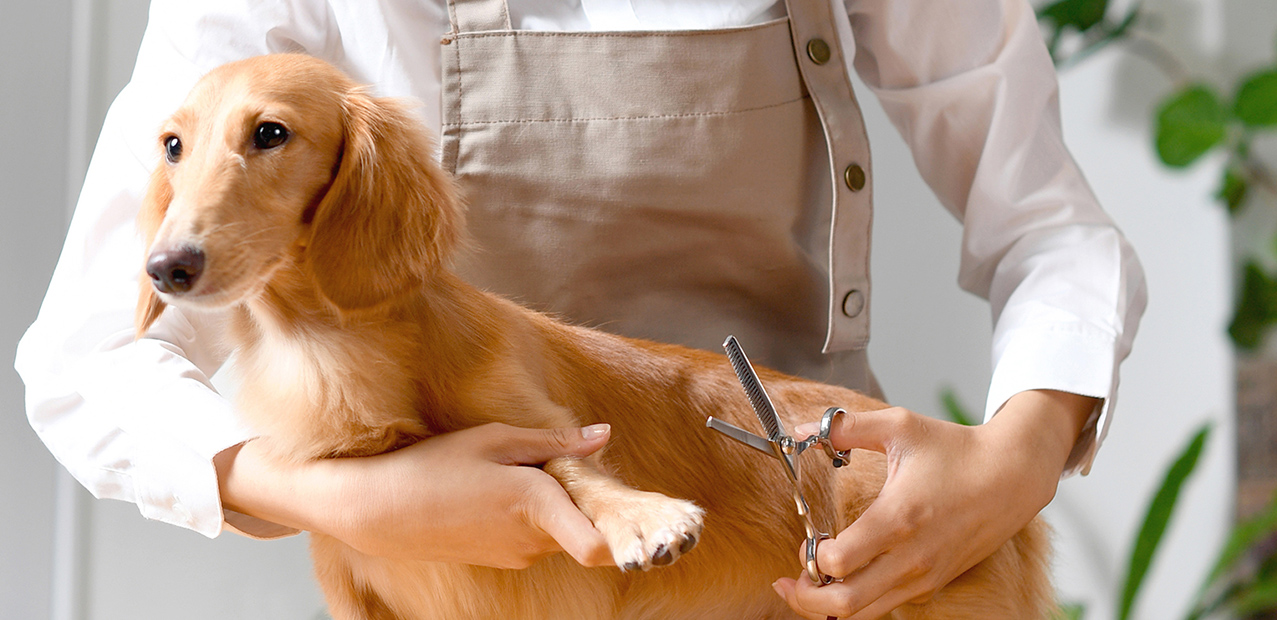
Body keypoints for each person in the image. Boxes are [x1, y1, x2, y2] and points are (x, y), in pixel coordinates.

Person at [15, 0, 1145, 618]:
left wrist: (1020, 454)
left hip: (815, 548)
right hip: (477, 583)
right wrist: (338, 493)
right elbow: (88, 359)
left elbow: (1048, 220)